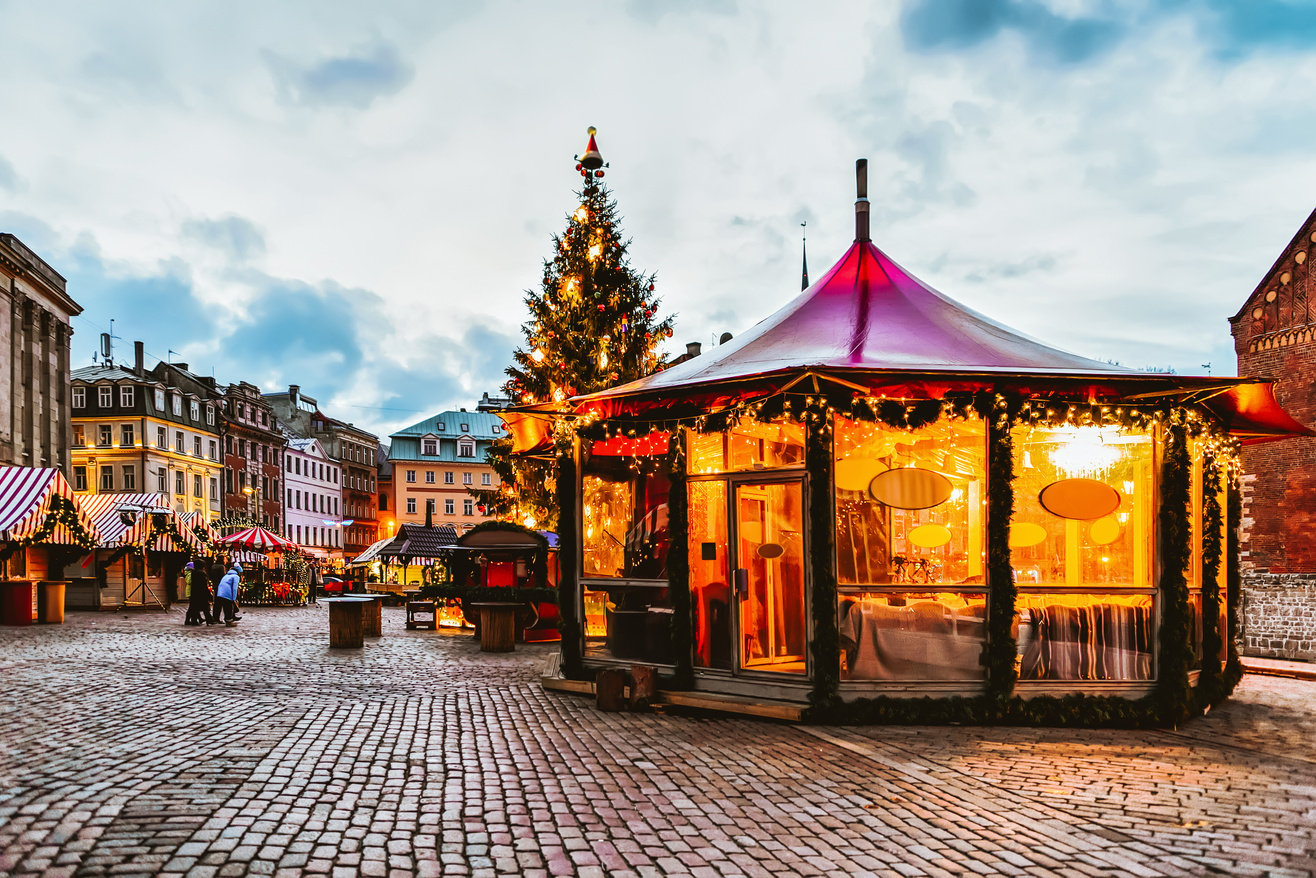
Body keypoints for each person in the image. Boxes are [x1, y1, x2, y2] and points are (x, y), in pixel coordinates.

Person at [185, 561, 215, 626]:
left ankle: (194, 621)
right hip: (201, 593)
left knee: (194, 608)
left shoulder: (193, 572)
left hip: (194, 592)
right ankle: (209, 620)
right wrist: (208, 594)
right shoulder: (202, 573)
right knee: (205, 608)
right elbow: (204, 585)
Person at [215, 563, 243, 627]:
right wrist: (234, 598)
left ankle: (228, 620)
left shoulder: (226, 575)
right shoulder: (235, 577)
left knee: (226, 607)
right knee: (229, 608)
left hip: (220, 593)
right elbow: (234, 588)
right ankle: (229, 622)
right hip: (227, 593)